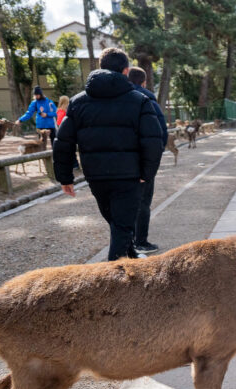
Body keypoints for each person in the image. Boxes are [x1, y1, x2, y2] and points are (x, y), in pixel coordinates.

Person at [53, 47, 163, 261]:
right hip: (128, 177)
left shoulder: (78, 102)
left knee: (118, 224)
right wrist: (146, 173)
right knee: (121, 228)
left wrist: (65, 177)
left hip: (96, 177)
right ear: (126, 71)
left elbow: (63, 142)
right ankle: (115, 283)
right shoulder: (139, 101)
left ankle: (130, 256)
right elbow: (153, 141)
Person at [128, 66, 168, 255]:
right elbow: (161, 132)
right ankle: (141, 241)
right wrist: (152, 163)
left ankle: (127, 242)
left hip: (122, 160)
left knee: (124, 202)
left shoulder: (118, 97)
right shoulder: (148, 98)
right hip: (143, 160)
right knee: (143, 202)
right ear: (144, 82)